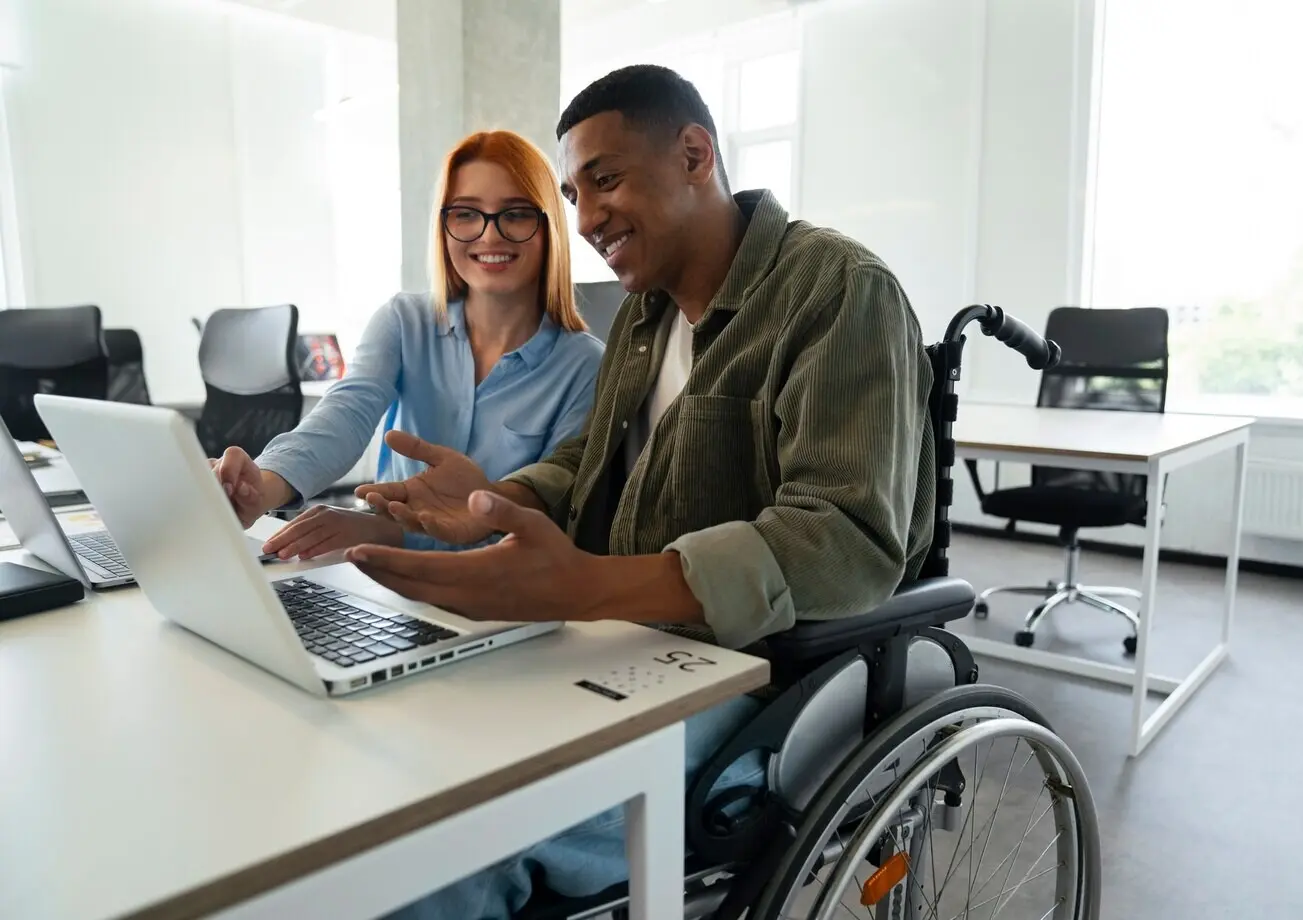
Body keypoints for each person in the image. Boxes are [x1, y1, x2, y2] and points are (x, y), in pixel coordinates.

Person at [355, 65, 937, 919]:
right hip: (626, 650)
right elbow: (591, 458)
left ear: (695, 154)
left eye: (606, 180)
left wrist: (588, 587)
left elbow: (843, 540)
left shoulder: (837, 290)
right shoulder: (644, 312)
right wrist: (494, 498)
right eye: (571, 194)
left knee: (453, 849)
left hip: (760, 683)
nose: (584, 221)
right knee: (408, 767)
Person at [210, 130, 604, 559]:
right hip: (390, 588)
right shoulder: (404, 322)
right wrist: (260, 487)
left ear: (549, 227)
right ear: (444, 226)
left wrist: (390, 533)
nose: (490, 236)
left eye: (516, 214)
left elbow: (548, 519)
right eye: (467, 214)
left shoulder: (584, 366)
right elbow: (345, 416)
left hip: (499, 595)